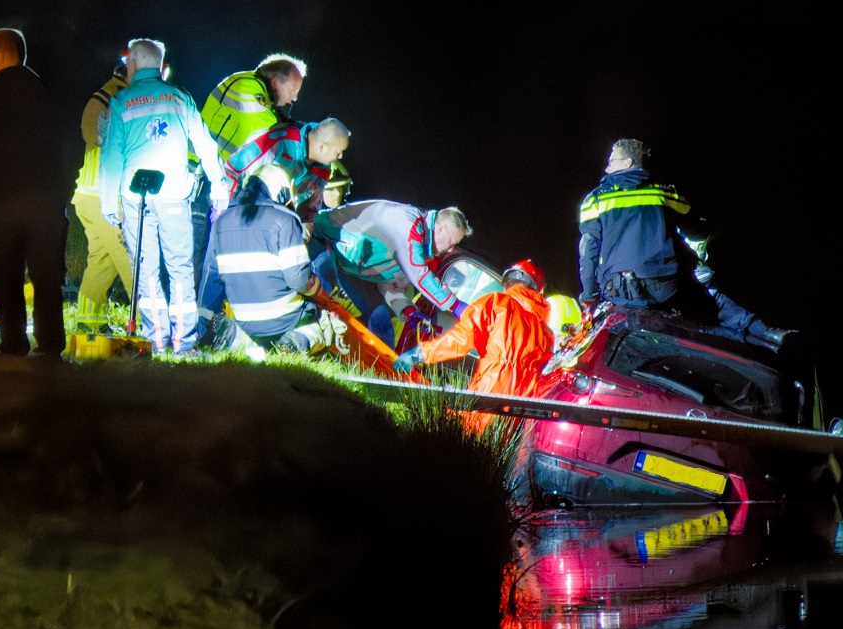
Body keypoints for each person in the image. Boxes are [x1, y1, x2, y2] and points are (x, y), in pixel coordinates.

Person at [577, 138, 789, 350]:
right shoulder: (664, 192)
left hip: (621, 292)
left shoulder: (595, 200)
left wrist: (588, 296)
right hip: (666, 283)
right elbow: (697, 230)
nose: (606, 167)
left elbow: (588, 250)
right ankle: (766, 338)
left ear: (628, 163)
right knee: (708, 304)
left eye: (612, 161)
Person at [97, 38, 230, 353]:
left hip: (135, 200)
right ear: (159, 66)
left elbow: (111, 158)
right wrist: (219, 188)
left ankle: (155, 339)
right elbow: (205, 145)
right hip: (174, 196)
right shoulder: (180, 98)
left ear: (133, 65)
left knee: (145, 270)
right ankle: (185, 345)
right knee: (181, 268)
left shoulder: (121, 101)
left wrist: (107, 201)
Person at [0, 28, 76, 358]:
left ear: (3, 54)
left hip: (0, 209)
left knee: (5, 278)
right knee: (46, 278)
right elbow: (71, 148)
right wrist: (61, 193)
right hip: (45, 207)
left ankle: (13, 343)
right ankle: (51, 343)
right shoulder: (48, 95)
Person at [396, 260, 556, 434]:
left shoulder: (496, 303)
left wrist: (419, 353)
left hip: (492, 389)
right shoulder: (546, 332)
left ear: (509, 281)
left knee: (465, 438)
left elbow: (460, 340)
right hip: (522, 406)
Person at [310, 199, 471, 345]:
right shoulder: (409, 223)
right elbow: (417, 272)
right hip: (324, 244)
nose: (450, 249)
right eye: (452, 242)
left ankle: (382, 371)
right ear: (441, 229)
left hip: (348, 268)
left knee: (379, 318)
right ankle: (301, 339)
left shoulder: (419, 251)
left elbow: (390, 285)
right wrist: (455, 305)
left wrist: (407, 309)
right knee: (317, 294)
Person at [198, 171, 320, 355]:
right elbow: (298, 280)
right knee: (318, 321)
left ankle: (236, 339)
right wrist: (317, 288)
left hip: (242, 318)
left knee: (252, 342)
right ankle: (293, 342)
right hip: (284, 318)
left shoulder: (220, 222)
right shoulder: (286, 220)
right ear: (281, 192)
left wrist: (203, 328)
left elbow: (210, 278)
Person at [70, 53, 135, 330]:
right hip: (100, 195)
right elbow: (90, 131)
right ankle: (148, 324)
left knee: (102, 257)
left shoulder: (114, 95)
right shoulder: (109, 96)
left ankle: (88, 319)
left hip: (90, 194)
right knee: (130, 258)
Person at [226, 116, 351, 224]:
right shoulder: (276, 141)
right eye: (338, 152)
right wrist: (228, 217)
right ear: (322, 147)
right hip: (242, 218)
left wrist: (298, 238)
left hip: (276, 233)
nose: (340, 157)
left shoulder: (324, 168)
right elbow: (232, 171)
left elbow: (310, 212)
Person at [201, 54, 307, 161]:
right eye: (292, 90)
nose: (295, 98)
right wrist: (310, 134)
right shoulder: (247, 84)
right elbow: (272, 129)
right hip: (197, 164)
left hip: (213, 168)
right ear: (275, 83)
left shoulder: (264, 97)